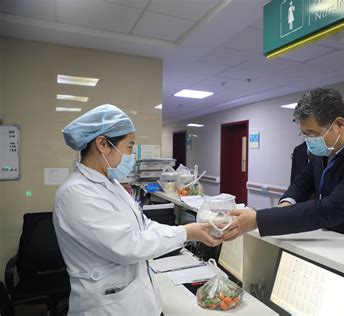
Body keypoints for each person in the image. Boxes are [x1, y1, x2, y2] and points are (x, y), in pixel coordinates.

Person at [53, 104, 222, 315]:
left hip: (137, 300)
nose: (132, 155)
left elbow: (144, 225)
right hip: (107, 307)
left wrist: (189, 229)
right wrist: (187, 232)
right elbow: (129, 246)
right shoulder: (76, 194)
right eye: (130, 146)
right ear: (102, 144)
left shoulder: (112, 184)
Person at [223, 88, 344, 242]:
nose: (309, 141)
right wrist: (286, 204)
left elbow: (331, 209)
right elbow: (304, 180)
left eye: (312, 133)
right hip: (330, 238)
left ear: (339, 125)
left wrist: (258, 219)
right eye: (304, 134)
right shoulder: (327, 148)